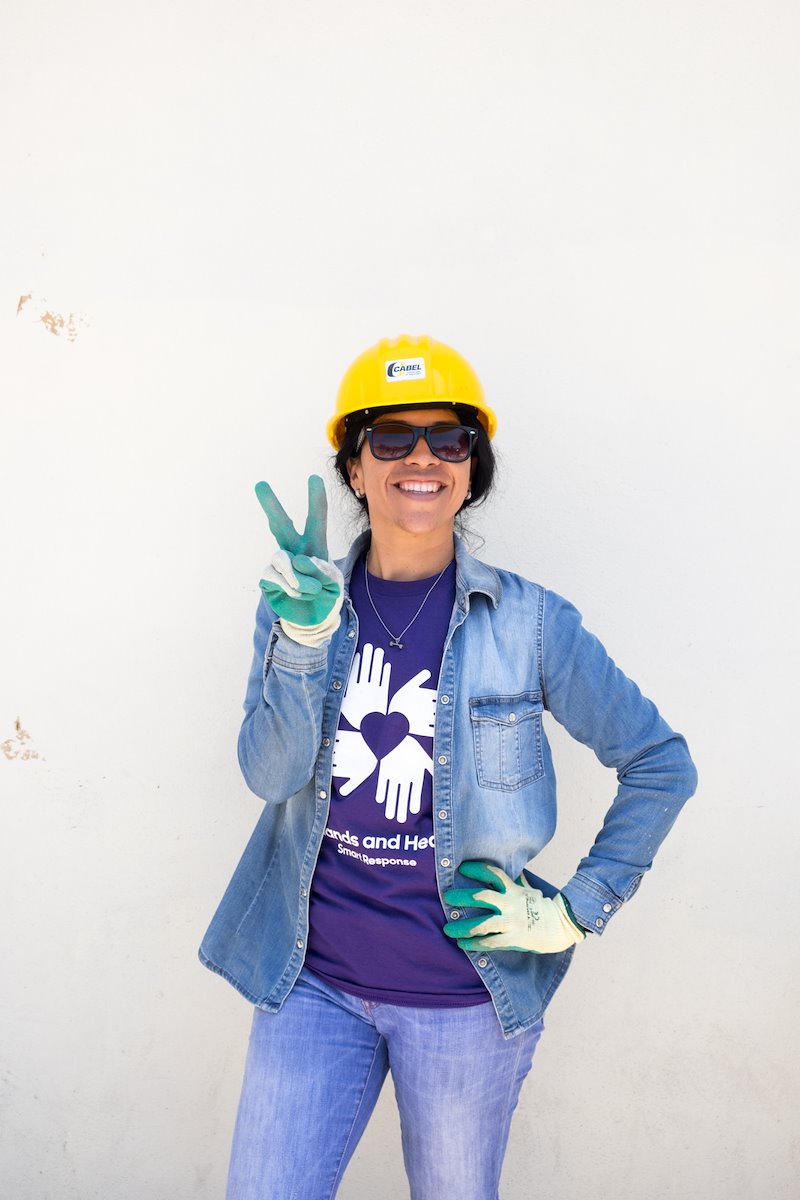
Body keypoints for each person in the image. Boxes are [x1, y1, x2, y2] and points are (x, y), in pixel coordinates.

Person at [200, 334, 697, 1200]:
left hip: (463, 1001)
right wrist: (305, 643)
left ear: (472, 468)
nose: (420, 457)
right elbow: (270, 774)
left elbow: (660, 763)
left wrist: (578, 910)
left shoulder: (532, 624)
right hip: (311, 984)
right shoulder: (300, 606)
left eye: (450, 439)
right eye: (390, 438)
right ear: (356, 468)